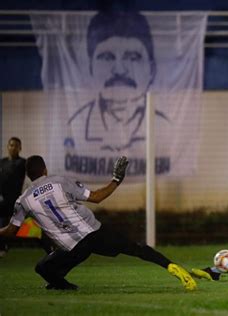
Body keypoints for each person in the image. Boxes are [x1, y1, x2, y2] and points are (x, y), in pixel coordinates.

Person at [0, 155, 196, 291]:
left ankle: (63, 286)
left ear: (28, 175)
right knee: (136, 248)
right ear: (45, 169)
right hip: (94, 234)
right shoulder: (59, 181)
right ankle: (172, 267)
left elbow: (11, 231)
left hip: (72, 249)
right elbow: (96, 197)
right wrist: (116, 180)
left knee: (42, 268)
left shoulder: (23, 200)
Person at [67, 11, 169, 152]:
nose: (120, 70)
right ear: (90, 68)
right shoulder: (75, 125)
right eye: (107, 57)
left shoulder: (166, 127)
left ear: (152, 70)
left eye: (133, 57)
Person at [0, 137, 26, 257]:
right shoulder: (2, 162)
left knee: (9, 225)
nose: (13, 148)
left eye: (16, 145)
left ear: (20, 148)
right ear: (7, 147)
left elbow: (10, 176)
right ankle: (3, 247)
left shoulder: (22, 163)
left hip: (16, 200)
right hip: (3, 199)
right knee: (3, 223)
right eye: (11, 145)